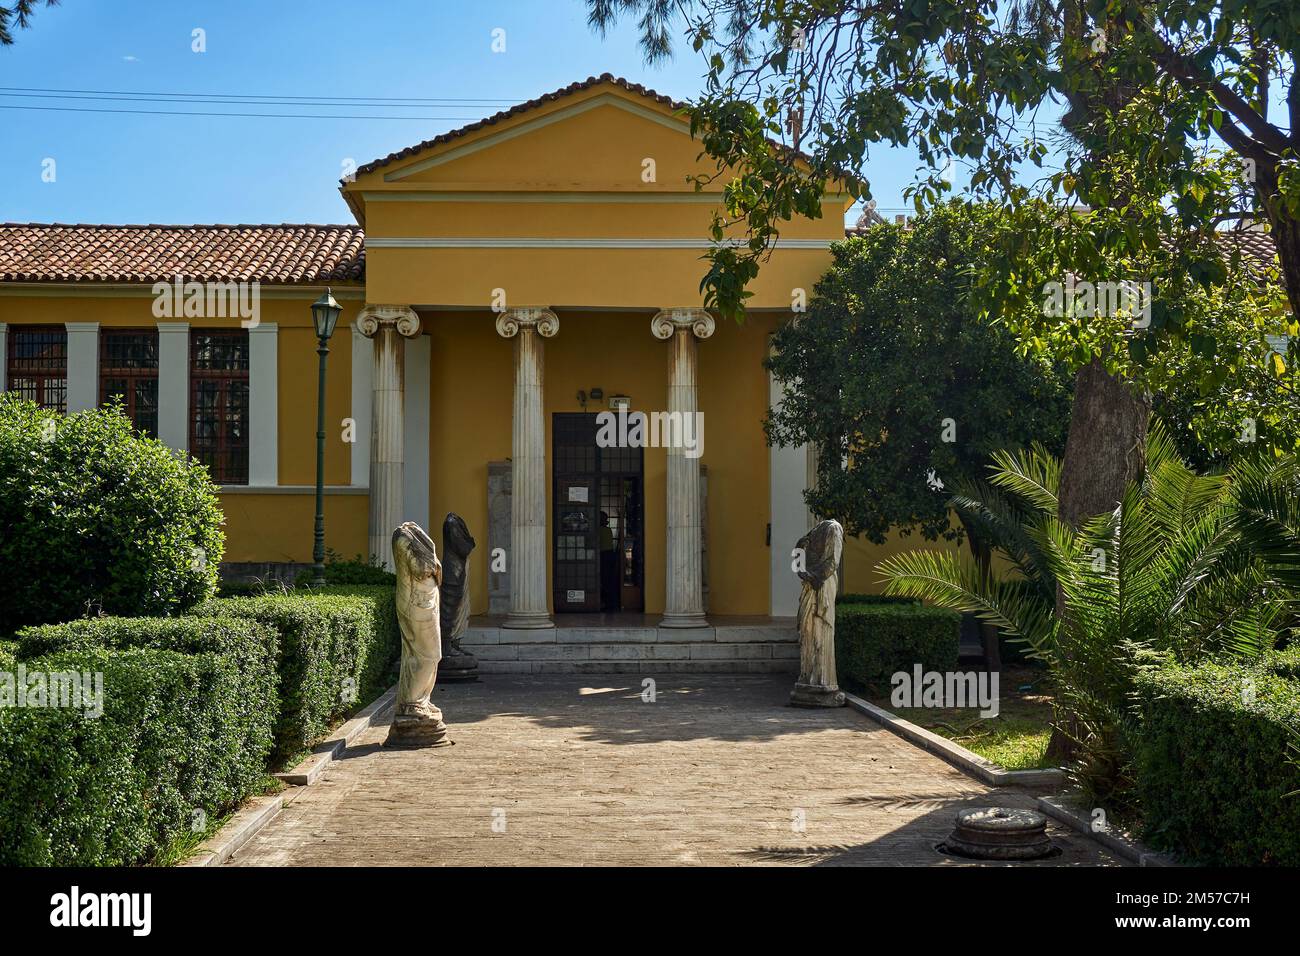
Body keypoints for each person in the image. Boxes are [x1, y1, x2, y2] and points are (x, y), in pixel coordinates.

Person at [599, 510, 619, 612]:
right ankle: (611, 604)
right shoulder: (608, 530)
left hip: (603, 556)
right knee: (609, 580)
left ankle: (608, 604)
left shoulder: (600, 531)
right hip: (610, 555)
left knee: (604, 581)